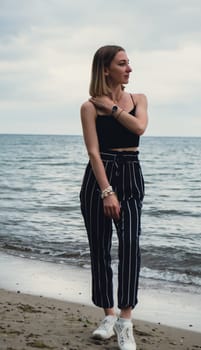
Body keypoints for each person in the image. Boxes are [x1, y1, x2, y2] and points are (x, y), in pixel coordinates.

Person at [79, 45, 148, 350]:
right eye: (122, 64)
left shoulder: (139, 100)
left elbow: (140, 127)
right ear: (106, 69)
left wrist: (114, 109)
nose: (129, 68)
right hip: (99, 175)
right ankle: (108, 315)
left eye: (129, 63)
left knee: (131, 245)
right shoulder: (89, 107)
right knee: (100, 249)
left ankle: (125, 321)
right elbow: (93, 152)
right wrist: (107, 191)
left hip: (131, 173)